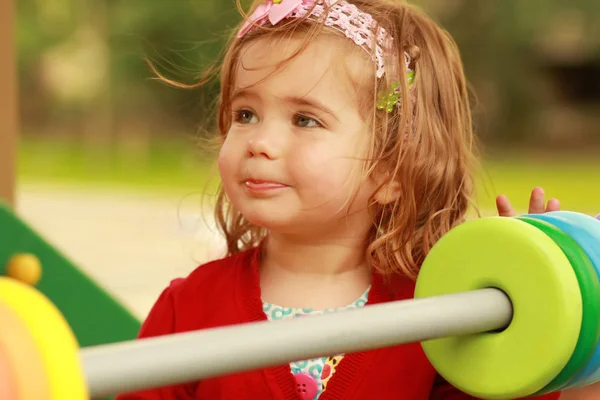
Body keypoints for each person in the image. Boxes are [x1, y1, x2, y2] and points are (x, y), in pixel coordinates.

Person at [116, 0, 564, 399]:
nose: (260, 142)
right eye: (245, 114)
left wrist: (547, 307)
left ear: (389, 169)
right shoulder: (190, 307)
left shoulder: (437, 316)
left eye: (305, 120)